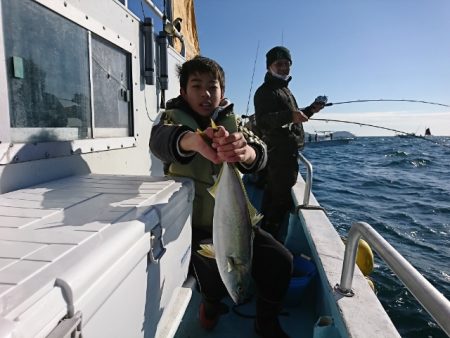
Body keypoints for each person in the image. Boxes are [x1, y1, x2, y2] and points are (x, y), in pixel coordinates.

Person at [149, 56, 293, 338]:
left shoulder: (234, 122)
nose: (205, 93)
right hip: (193, 224)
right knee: (212, 273)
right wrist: (192, 141)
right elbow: (160, 140)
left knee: (281, 261)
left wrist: (244, 152)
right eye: (196, 86)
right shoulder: (169, 118)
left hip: (237, 221)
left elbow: (259, 150)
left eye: (212, 87)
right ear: (183, 92)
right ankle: (212, 305)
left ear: (222, 93)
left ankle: (265, 324)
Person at [254, 46, 326, 238]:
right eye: (279, 64)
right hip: (279, 157)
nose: (284, 67)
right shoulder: (265, 92)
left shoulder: (284, 90)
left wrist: (311, 109)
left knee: (275, 198)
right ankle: (267, 240)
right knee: (277, 202)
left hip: (287, 156)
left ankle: (264, 236)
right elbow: (263, 121)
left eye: (287, 64)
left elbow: (294, 117)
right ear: (269, 66)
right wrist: (289, 115)